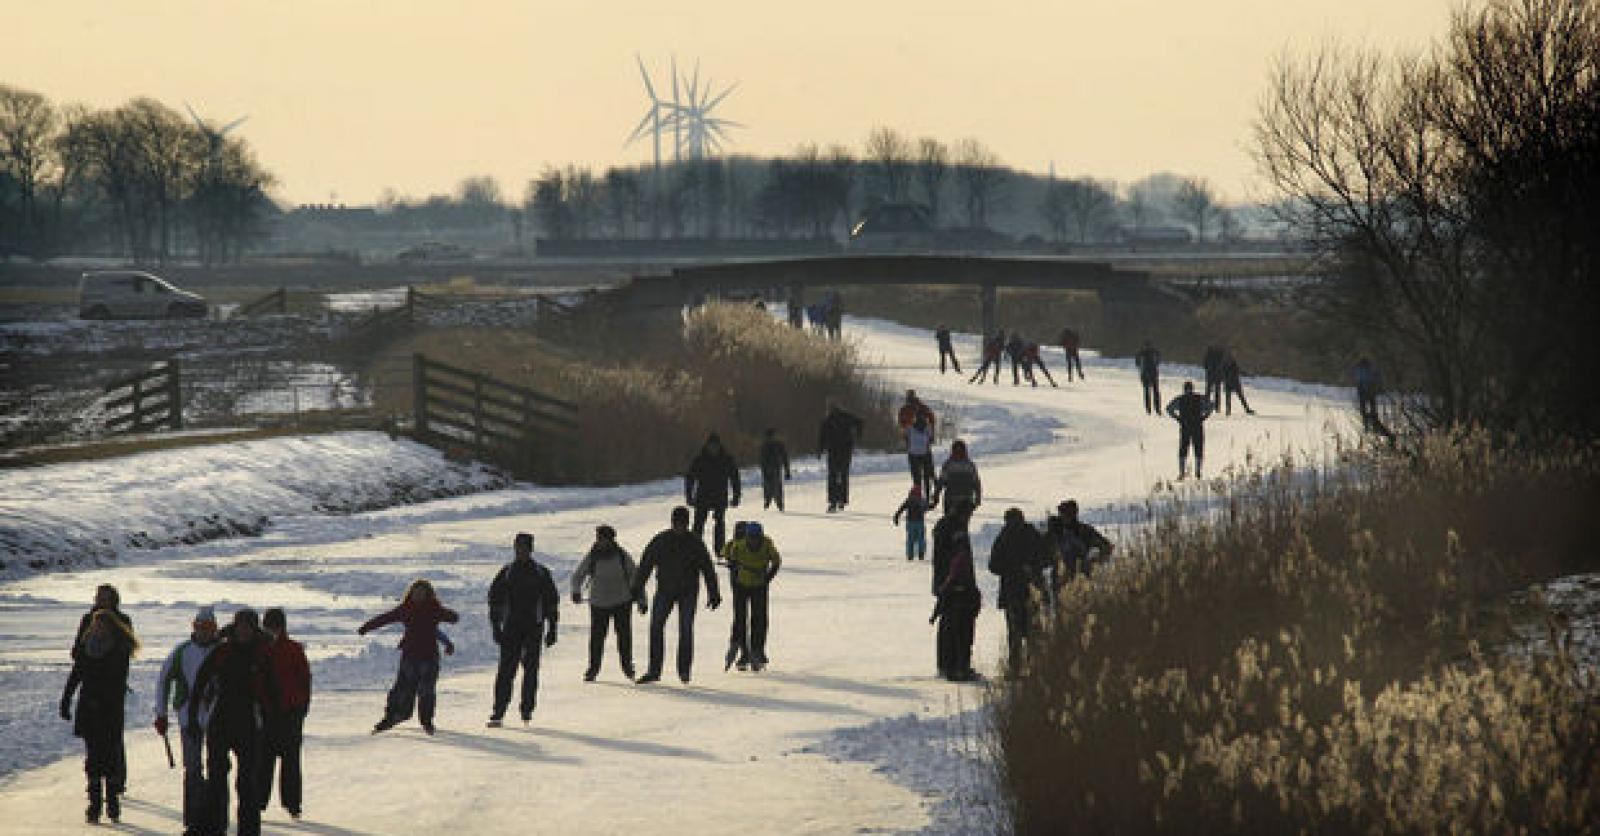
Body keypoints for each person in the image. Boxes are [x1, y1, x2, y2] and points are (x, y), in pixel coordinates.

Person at [190, 609, 273, 836]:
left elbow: (273, 690)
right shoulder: (222, 651)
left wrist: (272, 722)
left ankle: (248, 831)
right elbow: (200, 681)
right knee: (216, 779)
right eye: (240, 626)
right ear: (235, 628)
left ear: (254, 629)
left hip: (248, 724)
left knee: (247, 784)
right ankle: (212, 829)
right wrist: (193, 715)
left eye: (248, 627)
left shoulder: (263, 653)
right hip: (221, 721)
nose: (243, 631)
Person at [61, 605, 139, 825]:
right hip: (88, 709)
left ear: (111, 628)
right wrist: (66, 700)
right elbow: (76, 674)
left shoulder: (119, 650)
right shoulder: (86, 648)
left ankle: (112, 801)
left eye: (102, 625)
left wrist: (102, 699)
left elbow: (116, 680)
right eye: (95, 625)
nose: (98, 629)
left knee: (110, 757)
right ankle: (94, 804)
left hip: (110, 710)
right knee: (93, 757)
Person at [632, 507, 722, 684]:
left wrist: (714, 592)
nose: (679, 527)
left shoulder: (695, 542)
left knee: (685, 629)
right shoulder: (660, 540)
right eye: (677, 523)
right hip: (665, 590)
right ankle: (654, 670)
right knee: (656, 627)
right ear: (672, 522)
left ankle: (684, 670)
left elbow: (707, 568)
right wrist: (637, 588)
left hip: (688, 591)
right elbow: (646, 565)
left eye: (683, 524)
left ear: (687, 524)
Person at [360, 579, 460, 734]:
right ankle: (392, 717)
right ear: (410, 593)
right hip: (410, 655)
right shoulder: (406, 609)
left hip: (429, 657)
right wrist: (367, 627)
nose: (418, 595)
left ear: (428, 595)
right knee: (402, 689)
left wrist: (449, 634)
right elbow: (385, 618)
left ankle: (426, 721)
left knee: (426, 690)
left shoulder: (434, 609)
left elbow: (447, 622)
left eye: (422, 593)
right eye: (415, 592)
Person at [155, 605, 220, 836]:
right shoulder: (182, 652)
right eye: (199, 627)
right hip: (187, 717)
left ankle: (214, 819)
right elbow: (163, 680)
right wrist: (161, 714)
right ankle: (193, 820)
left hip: (216, 717)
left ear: (215, 629)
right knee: (192, 769)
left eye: (208, 627)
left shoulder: (222, 651)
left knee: (216, 769)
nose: (204, 631)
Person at [486, 533, 559, 725]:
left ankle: (527, 709)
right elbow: (494, 601)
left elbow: (551, 602)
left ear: (530, 549)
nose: (521, 551)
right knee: (505, 671)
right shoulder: (507, 572)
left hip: (534, 627)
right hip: (511, 628)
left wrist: (553, 628)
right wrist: (495, 626)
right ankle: (498, 711)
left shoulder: (541, 573)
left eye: (524, 548)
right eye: (518, 547)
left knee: (531, 670)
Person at [257, 608, 310, 821]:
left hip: (290, 713)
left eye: (275, 627)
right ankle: (258, 802)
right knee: (263, 761)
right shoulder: (259, 649)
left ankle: (293, 804)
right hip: (266, 713)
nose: (272, 631)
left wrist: (302, 708)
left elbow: (305, 679)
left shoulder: (294, 649)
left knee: (291, 762)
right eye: (268, 627)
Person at [570, 525, 639, 682]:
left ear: (611, 540)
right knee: (597, 638)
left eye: (604, 539)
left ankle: (627, 666)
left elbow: (635, 576)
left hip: (622, 601)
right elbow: (578, 575)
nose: (601, 542)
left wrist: (641, 599)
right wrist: (575, 591)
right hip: (599, 603)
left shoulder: (622, 556)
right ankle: (593, 669)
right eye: (599, 538)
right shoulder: (592, 556)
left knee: (624, 637)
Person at [988, 508, 1049, 669]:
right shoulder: (1033, 535)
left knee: (1016, 633)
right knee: (1032, 631)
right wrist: (1031, 568)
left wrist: (1011, 569)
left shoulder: (1004, 537)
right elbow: (1047, 558)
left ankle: (1016, 667)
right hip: (1030, 590)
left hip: (1013, 591)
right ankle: (1033, 667)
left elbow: (993, 565)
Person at [931, 499, 981, 682]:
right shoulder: (957, 529)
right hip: (957, 585)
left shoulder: (942, 526)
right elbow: (960, 559)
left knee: (947, 625)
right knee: (961, 628)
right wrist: (966, 584)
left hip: (943, 582)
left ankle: (945, 664)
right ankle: (959, 666)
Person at [723, 521, 782, 672]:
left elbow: (776, 561)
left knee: (759, 619)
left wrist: (767, 578)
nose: (754, 541)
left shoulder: (767, 544)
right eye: (751, 537)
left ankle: (757, 650)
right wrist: (733, 569)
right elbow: (728, 556)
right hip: (741, 587)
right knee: (740, 619)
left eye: (756, 537)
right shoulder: (738, 546)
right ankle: (744, 653)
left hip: (759, 587)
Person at [685, 432, 741, 553]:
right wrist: (689, 495)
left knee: (719, 523)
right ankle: (695, 549)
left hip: (720, 496)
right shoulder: (700, 460)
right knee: (699, 523)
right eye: (711, 446)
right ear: (707, 446)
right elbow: (690, 478)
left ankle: (720, 549)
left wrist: (736, 495)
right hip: (703, 496)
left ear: (719, 446)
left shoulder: (727, 459)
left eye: (715, 446)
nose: (713, 448)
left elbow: (735, 478)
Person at [1047, 500, 1114, 590]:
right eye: (1062, 513)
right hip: (1060, 580)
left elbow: (1107, 547)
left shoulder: (1084, 531)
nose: (1063, 516)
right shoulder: (1055, 531)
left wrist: (1092, 559)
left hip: (1080, 580)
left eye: (1066, 513)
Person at [818, 403, 864, 512]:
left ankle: (833, 502)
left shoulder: (828, 420)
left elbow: (822, 437)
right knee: (843, 475)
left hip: (834, 451)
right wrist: (858, 435)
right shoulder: (846, 417)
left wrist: (820, 450)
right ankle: (842, 500)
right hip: (845, 450)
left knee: (833, 476)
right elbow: (860, 422)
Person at [1165, 381, 1215, 479]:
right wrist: (1204, 416)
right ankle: (1198, 472)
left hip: (1185, 427)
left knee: (1183, 449)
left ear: (1184, 389)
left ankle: (1182, 473)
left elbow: (1169, 408)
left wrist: (1178, 418)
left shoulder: (1180, 399)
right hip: (1197, 426)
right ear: (1192, 388)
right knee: (1198, 449)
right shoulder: (1199, 398)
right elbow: (1211, 406)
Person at [930, 439, 982, 512]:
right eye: (957, 451)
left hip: (959, 499)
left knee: (953, 518)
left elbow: (941, 482)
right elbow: (976, 482)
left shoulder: (949, 465)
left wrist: (936, 495)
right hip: (959, 499)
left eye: (960, 451)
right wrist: (978, 498)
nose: (958, 453)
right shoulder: (969, 465)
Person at [893, 485, 930, 561]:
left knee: (910, 539)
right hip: (919, 522)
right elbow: (926, 508)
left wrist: (896, 517)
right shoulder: (921, 500)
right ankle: (921, 554)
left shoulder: (909, 500)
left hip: (910, 522)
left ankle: (910, 555)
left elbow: (901, 509)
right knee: (921, 539)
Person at [759, 428, 791, 512]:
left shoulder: (779, 445)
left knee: (777, 486)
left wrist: (787, 470)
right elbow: (762, 459)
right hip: (767, 469)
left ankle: (779, 504)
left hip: (776, 468)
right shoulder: (764, 446)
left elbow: (784, 457)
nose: (771, 438)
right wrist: (763, 469)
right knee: (768, 486)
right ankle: (768, 500)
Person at [1354, 357, 1388, 436]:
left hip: (1363, 392)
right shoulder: (1371, 368)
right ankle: (1373, 426)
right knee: (1372, 410)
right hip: (1370, 392)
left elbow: (1357, 380)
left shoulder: (1358, 369)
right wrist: (1378, 388)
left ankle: (1367, 426)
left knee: (1364, 410)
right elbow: (1377, 378)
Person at [905, 412, 936, 497]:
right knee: (927, 476)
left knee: (916, 478)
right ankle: (928, 495)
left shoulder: (910, 428)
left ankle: (918, 496)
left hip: (913, 454)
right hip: (925, 454)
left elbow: (906, 439)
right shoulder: (928, 428)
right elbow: (931, 440)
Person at [1221, 351, 1256, 415]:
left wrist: (1224, 381)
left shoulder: (1225, 365)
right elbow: (1240, 371)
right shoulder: (1233, 364)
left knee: (1229, 398)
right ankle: (1247, 409)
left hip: (1228, 382)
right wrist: (1248, 375)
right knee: (1241, 397)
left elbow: (1222, 374)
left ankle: (1228, 411)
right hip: (1235, 382)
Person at [1136, 339, 1162, 415]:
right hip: (1151, 373)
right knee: (1154, 391)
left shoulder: (1142, 352)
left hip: (1147, 373)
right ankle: (1155, 409)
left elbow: (1137, 363)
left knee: (1149, 391)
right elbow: (1159, 358)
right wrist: (1156, 363)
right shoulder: (1153, 351)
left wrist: (1140, 367)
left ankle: (1150, 409)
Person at [1202, 345, 1226, 409]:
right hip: (1218, 375)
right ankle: (1217, 406)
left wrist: (1208, 369)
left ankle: (1207, 404)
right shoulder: (1221, 354)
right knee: (1217, 391)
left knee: (1208, 391)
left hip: (1210, 374)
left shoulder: (1209, 353)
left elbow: (1205, 364)